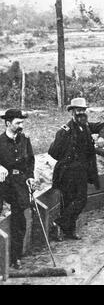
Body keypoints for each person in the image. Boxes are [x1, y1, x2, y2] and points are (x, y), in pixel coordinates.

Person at [49, 98, 104, 241]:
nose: (81, 113)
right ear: (72, 112)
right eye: (78, 110)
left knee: (81, 200)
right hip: (67, 171)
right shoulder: (65, 131)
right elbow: (53, 152)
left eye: (83, 110)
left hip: (82, 171)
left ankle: (60, 224)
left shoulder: (87, 126)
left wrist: (101, 137)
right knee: (69, 200)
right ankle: (67, 230)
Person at [0, 109, 35, 269]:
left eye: (22, 122)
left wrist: (30, 176)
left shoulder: (24, 140)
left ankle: (15, 257)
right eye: (17, 122)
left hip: (20, 183)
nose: (21, 125)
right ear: (8, 123)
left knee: (19, 220)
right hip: (3, 184)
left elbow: (30, 161)